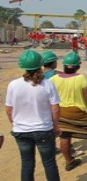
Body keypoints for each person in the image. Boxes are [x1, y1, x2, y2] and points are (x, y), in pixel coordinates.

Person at [6, 50, 60, 181]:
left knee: (27, 164)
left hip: (21, 131)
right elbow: (55, 109)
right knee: (49, 163)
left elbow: (8, 109)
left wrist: (16, 124)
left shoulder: (13, 85)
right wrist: (56, 127)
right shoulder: (48, 84)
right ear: (41, 65)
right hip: (44, 130)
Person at [41, 50, 83, 157]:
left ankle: (52, 147)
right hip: (56, 104)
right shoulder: (58, 74)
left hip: (44, 105)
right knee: (63, 132)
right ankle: (70, 151)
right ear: (53, 63)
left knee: (48, 127)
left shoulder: (39, 75)